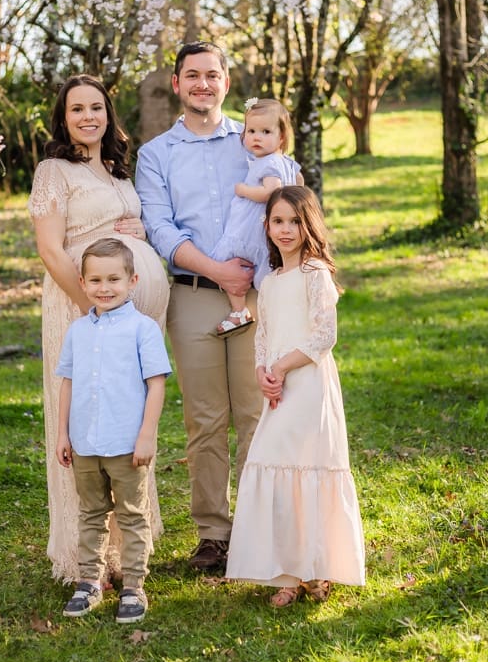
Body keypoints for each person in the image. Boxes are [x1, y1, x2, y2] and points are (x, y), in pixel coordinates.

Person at [28, 74, 170, 585]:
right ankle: (86, 554)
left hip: (127, 314)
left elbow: (124, 228)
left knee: (125, 417)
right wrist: (94, 308)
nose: (88, 116)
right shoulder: (53, 170)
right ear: (63, 118)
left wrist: (140, 231)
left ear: (108, 114)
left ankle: (126, 547)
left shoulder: (114, 168)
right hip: (84, 308)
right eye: (77, 109)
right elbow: (50, 249)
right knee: (89, 417)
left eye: (96, 107)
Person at [135, 41, 262, 573]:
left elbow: (284, 195)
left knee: (257, 413)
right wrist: (217, 270)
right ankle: (214, 534)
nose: (202, 84)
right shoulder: (155, 154)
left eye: (212, 75)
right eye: (192, 75)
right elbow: (160, 228)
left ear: (226, 83)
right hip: (190, 295)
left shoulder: (252, 140)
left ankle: (259, 528)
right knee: (205, 419)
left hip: (255, 294)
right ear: (177, 83)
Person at [225, 185, 366, 605]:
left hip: (308, 386)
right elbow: (263, 335)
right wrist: (262, 371)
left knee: (308, 466)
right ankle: (286, 573)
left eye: (294, 221)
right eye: (278, 221)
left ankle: (316, 569)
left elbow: (324, 335)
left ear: (309, 225)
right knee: (276, 465)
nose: (285, 230)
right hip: (278, 388)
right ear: (267, 226)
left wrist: (283, 367)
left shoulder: (314, 273)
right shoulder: (269, 282)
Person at [56, 238, 172, 623]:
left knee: (132, 515)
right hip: (85, 443)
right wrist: (63, 434)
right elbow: (68, 383)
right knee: (91, 513)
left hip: (126, 443)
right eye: (95, 280)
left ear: (132, 281)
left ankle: (134, 585)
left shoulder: (143, 329)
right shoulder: (77, 331)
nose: (104, 288)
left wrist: (147, 435)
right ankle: (89, 581)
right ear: (83, 283)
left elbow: (156, 384)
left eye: (113, 279)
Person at [211, 98, 303, 337]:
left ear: (281, 137)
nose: (256, 137)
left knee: (224, 260)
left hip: (250, 230)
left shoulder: (267, 164)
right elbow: (300, 183)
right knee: (267, 275)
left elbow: (270, 192)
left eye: (265, 132)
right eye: (251, 131)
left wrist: (243, 190)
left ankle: (239, 310)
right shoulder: (287, 162)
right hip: (268, 231)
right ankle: (278, 313)